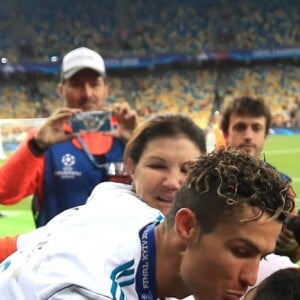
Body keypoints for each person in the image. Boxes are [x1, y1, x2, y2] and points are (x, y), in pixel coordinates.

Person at [0, 148, 295, 300]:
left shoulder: (121, 204)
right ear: (187, 228)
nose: (251, 277)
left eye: (261, 256)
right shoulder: (87, 292)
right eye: (241, 251)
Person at [0, 113, 207, 262]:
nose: (172, 181)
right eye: (157, 166)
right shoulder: (91, 222)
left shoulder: (214, 237)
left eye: (187, 169)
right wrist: (36, 145)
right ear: (131, 168)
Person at [0, 47, 138, 227]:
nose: (87, 94)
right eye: (77, 85)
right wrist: (37, 145)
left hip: (122, 254)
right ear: (61, 90)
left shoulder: (130, 136)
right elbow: (5, 193)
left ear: (106, 90)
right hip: (57, 253)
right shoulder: (44, 140)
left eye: (94, 84)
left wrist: (138, 142)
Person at [220, 96, 300, 262]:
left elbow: (293, 252)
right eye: (240, 127)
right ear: (226, 133)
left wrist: (292, 245)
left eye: (256, 128)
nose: (248, 136)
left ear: (265, 136)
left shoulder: (283, 185)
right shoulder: (207, 181)